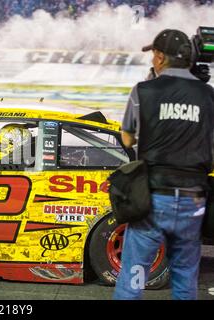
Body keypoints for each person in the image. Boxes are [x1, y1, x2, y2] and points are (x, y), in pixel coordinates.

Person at [113, 29, 214, 300]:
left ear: (159, 57)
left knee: (133, 276)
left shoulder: (143, 90)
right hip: (194, 200)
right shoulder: (209, 95)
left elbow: (127, 138)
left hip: (153, 198)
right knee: (185, 278)